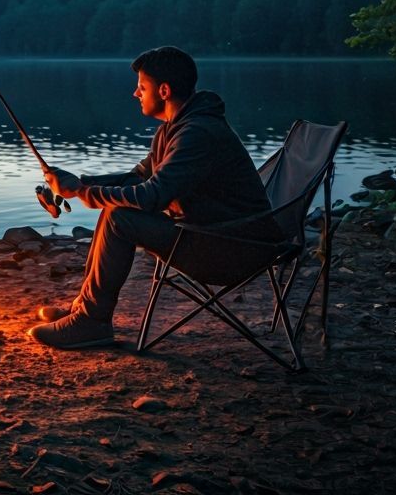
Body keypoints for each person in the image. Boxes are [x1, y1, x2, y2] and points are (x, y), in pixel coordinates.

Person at [30, 46, 279, 349]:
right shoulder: (175, 129)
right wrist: (79, 183)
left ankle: (92, 321)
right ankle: (86, 308)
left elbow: (152, 196)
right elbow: (139, 177)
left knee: (118, 216)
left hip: (230, 248)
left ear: (163, 90)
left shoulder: (197, 133)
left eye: (142, 87)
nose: (136, 93)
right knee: (116, 210)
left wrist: (85, 194)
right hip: (212, 232)